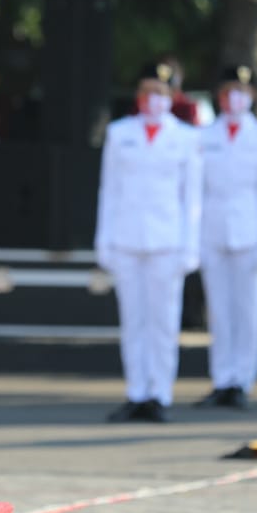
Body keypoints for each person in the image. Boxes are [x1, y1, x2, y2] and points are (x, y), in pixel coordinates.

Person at [97, 62, 202, 423]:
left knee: (162, 322)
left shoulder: (186, 137)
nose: (152, 99)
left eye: (159, 92)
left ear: (171, 96)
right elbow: (109, 190)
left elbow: (192, 199)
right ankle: (136, 392)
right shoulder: (120, 132)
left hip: (167, 240)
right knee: (133, 321)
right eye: (146, 92)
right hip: (127, 237)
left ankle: (160, 393)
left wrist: (190, 247)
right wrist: (104, 240)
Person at [194, 65, 257, 409]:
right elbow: (197, 193)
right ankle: (222, 378)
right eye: (229, 91)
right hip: (213, 230)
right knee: (219, 310)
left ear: (253, 97)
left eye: (242, 92)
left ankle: (242, 379)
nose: (235, 98)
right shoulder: (204, 137)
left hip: (250, 230)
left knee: (247, 311)